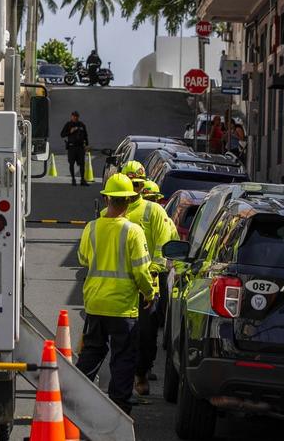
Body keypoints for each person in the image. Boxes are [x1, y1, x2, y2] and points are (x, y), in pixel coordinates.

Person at [77, 173, 156, 414]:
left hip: (94, 303)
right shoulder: (133, 232)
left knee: (91, 353)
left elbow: (83, 259)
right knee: (122, 358)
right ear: (130, 201)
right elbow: (142, 271)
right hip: (122, 308)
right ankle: (118, 406)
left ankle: (75, 399)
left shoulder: (91, 228)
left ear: (106, 199)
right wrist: (149, 293)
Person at [99, 165, 178, 397]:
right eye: (132, 184)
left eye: (139, 184)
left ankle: (141, 373)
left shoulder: (153, 211)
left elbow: (163, 247)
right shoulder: (108, 214)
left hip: (146, 288)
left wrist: (153, 273)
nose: (136, 189)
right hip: (118, 290)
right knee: (119, 340)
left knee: (145, 338)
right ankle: (121, 386)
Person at [60, 111, 90, 185]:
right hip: (72, 147)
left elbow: (86, 136)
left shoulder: (81, 125)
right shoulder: (68, 124)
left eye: (76, 116)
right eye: (73, 116)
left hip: (80, 147)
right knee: (71, 163)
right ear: (71, 117)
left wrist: (86, 145)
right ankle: (73, 179)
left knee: (82, 164)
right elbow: (62, 134)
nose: (75, 117)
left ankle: (82, 180)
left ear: (78, 117)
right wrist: (70, 132)